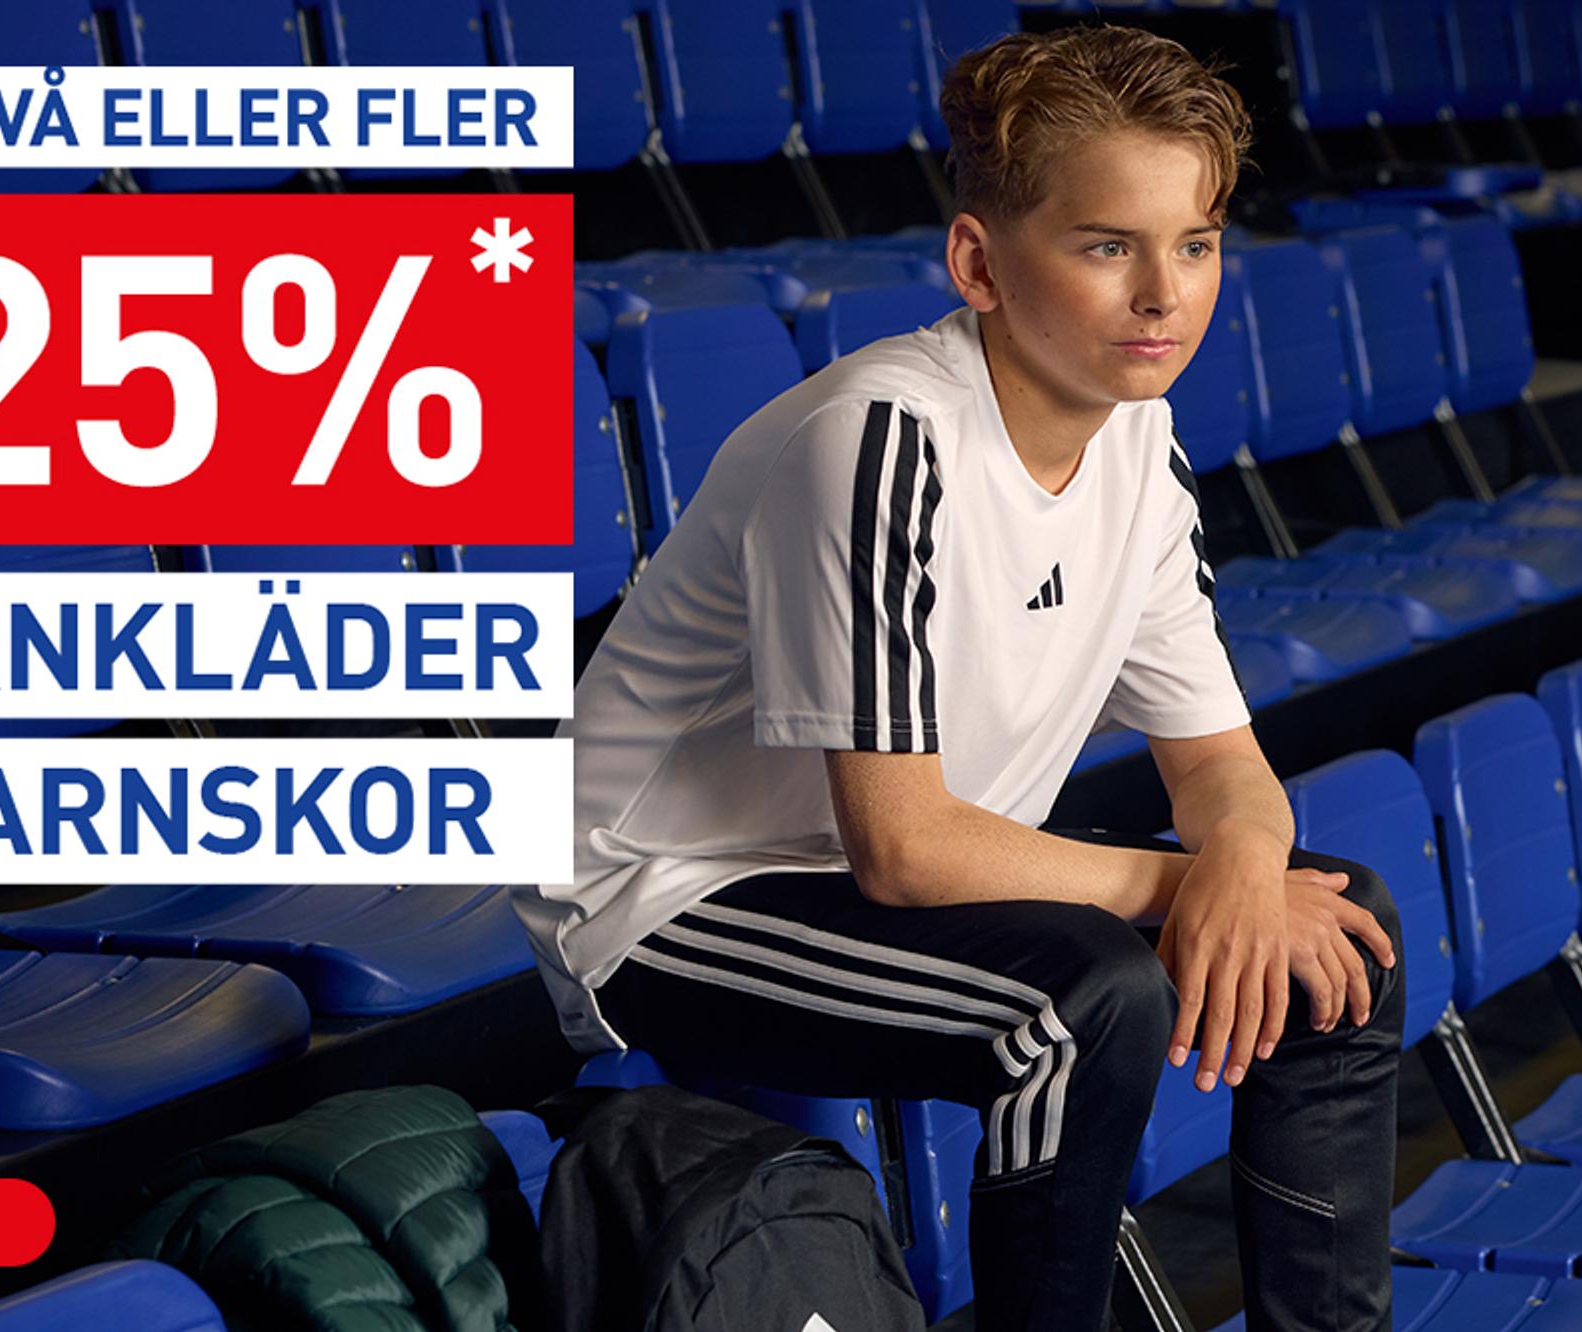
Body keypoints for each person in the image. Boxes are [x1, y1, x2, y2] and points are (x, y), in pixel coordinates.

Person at [513, 24, 1403, 1332]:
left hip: (893, 869)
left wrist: (1249, 861)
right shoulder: (876, 444)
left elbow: (1220, 763)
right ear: (979, 263)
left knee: (1341, 928)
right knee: (1084, 1001)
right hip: (672, 894)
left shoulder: (1138, 446)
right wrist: (1201, 881)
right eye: (1108, 246)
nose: (1165, 295)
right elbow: (906, 851)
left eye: (1197, 244)